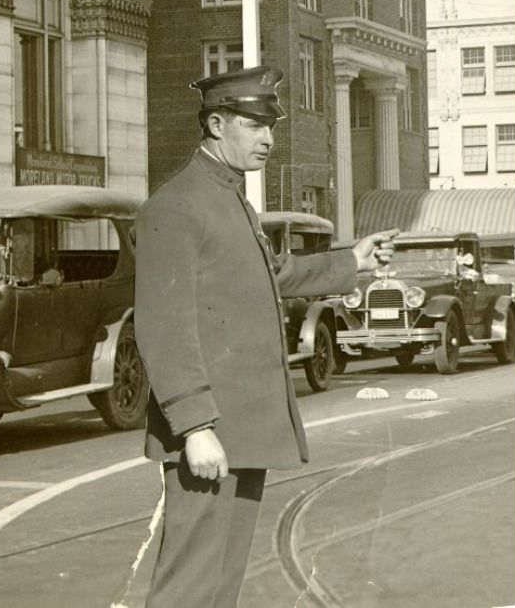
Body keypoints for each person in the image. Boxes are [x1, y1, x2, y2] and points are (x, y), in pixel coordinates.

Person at [132, 65, 397, 608]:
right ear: (214, 124)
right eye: (254, 125)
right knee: (188, 587)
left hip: (241, 428)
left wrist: (352, 259)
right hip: (209, 432)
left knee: (221, 585)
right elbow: (164, 325)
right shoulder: (176, 206)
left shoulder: (229, 200)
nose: (268, 138)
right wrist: (195, 425)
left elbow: (272, 273)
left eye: (269, 125)